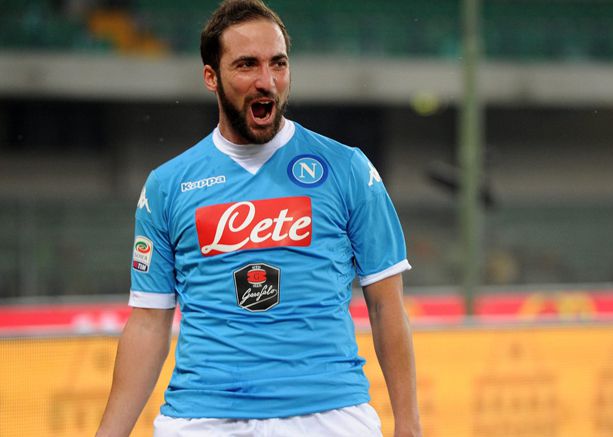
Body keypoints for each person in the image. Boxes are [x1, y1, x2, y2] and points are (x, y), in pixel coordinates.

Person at [96, 0, 421, 436]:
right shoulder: (167, 186)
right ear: (211, 77)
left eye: (278, 64)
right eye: (247, 65)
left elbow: (386, 306)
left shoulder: (347, 169)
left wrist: (409, 425)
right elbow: (149, 323)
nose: (266, 81)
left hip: (328, 414)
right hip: (203, 417)